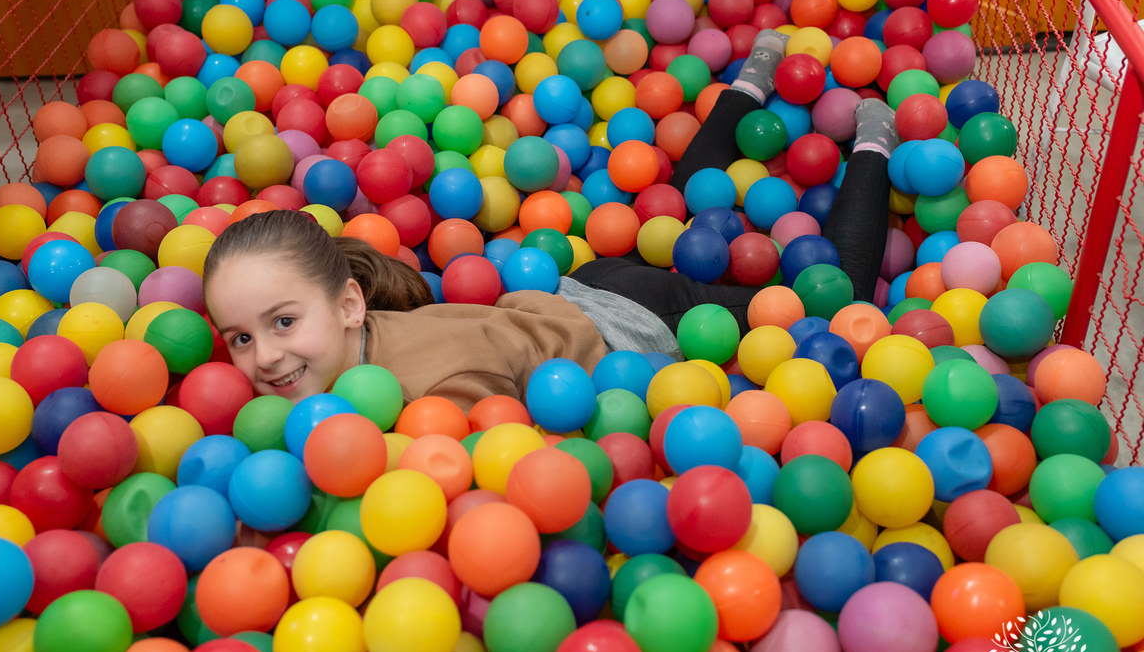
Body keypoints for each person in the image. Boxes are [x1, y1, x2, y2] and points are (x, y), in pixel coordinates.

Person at [202, 31, 900, 410]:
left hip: (631, 318)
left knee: (828, 300)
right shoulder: (346, 353)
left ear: (350, 301)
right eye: (239, 336)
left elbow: (517, 464)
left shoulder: (435, 394)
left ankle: (874, 142)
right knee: (686, 218)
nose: (262, 356)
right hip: (571, 284)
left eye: (282, 321)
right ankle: (748, 83)